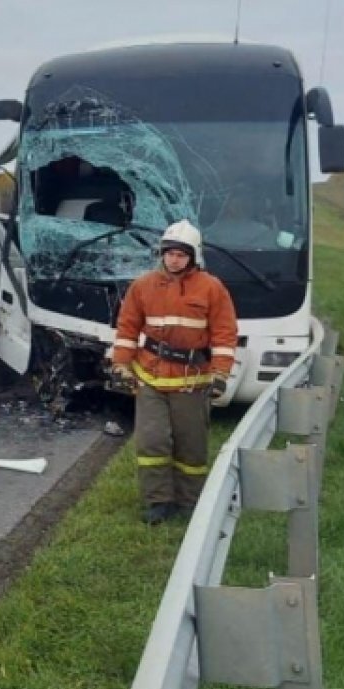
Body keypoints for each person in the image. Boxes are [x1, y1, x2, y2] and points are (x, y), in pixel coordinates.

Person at [111, 220, 238, 525]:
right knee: (152, 442)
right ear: (162, 254)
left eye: (181, 254)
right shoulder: (142, 286)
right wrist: (121, 365)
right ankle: (158, 501)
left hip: (191, 381)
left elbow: (224, 333)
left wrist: (220, 374)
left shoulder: (212, 288)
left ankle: (189, 501)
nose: (174, 259)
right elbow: (127, 328)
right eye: (169, 253)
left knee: (190, 445)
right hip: (150, 377)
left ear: (193, 256)